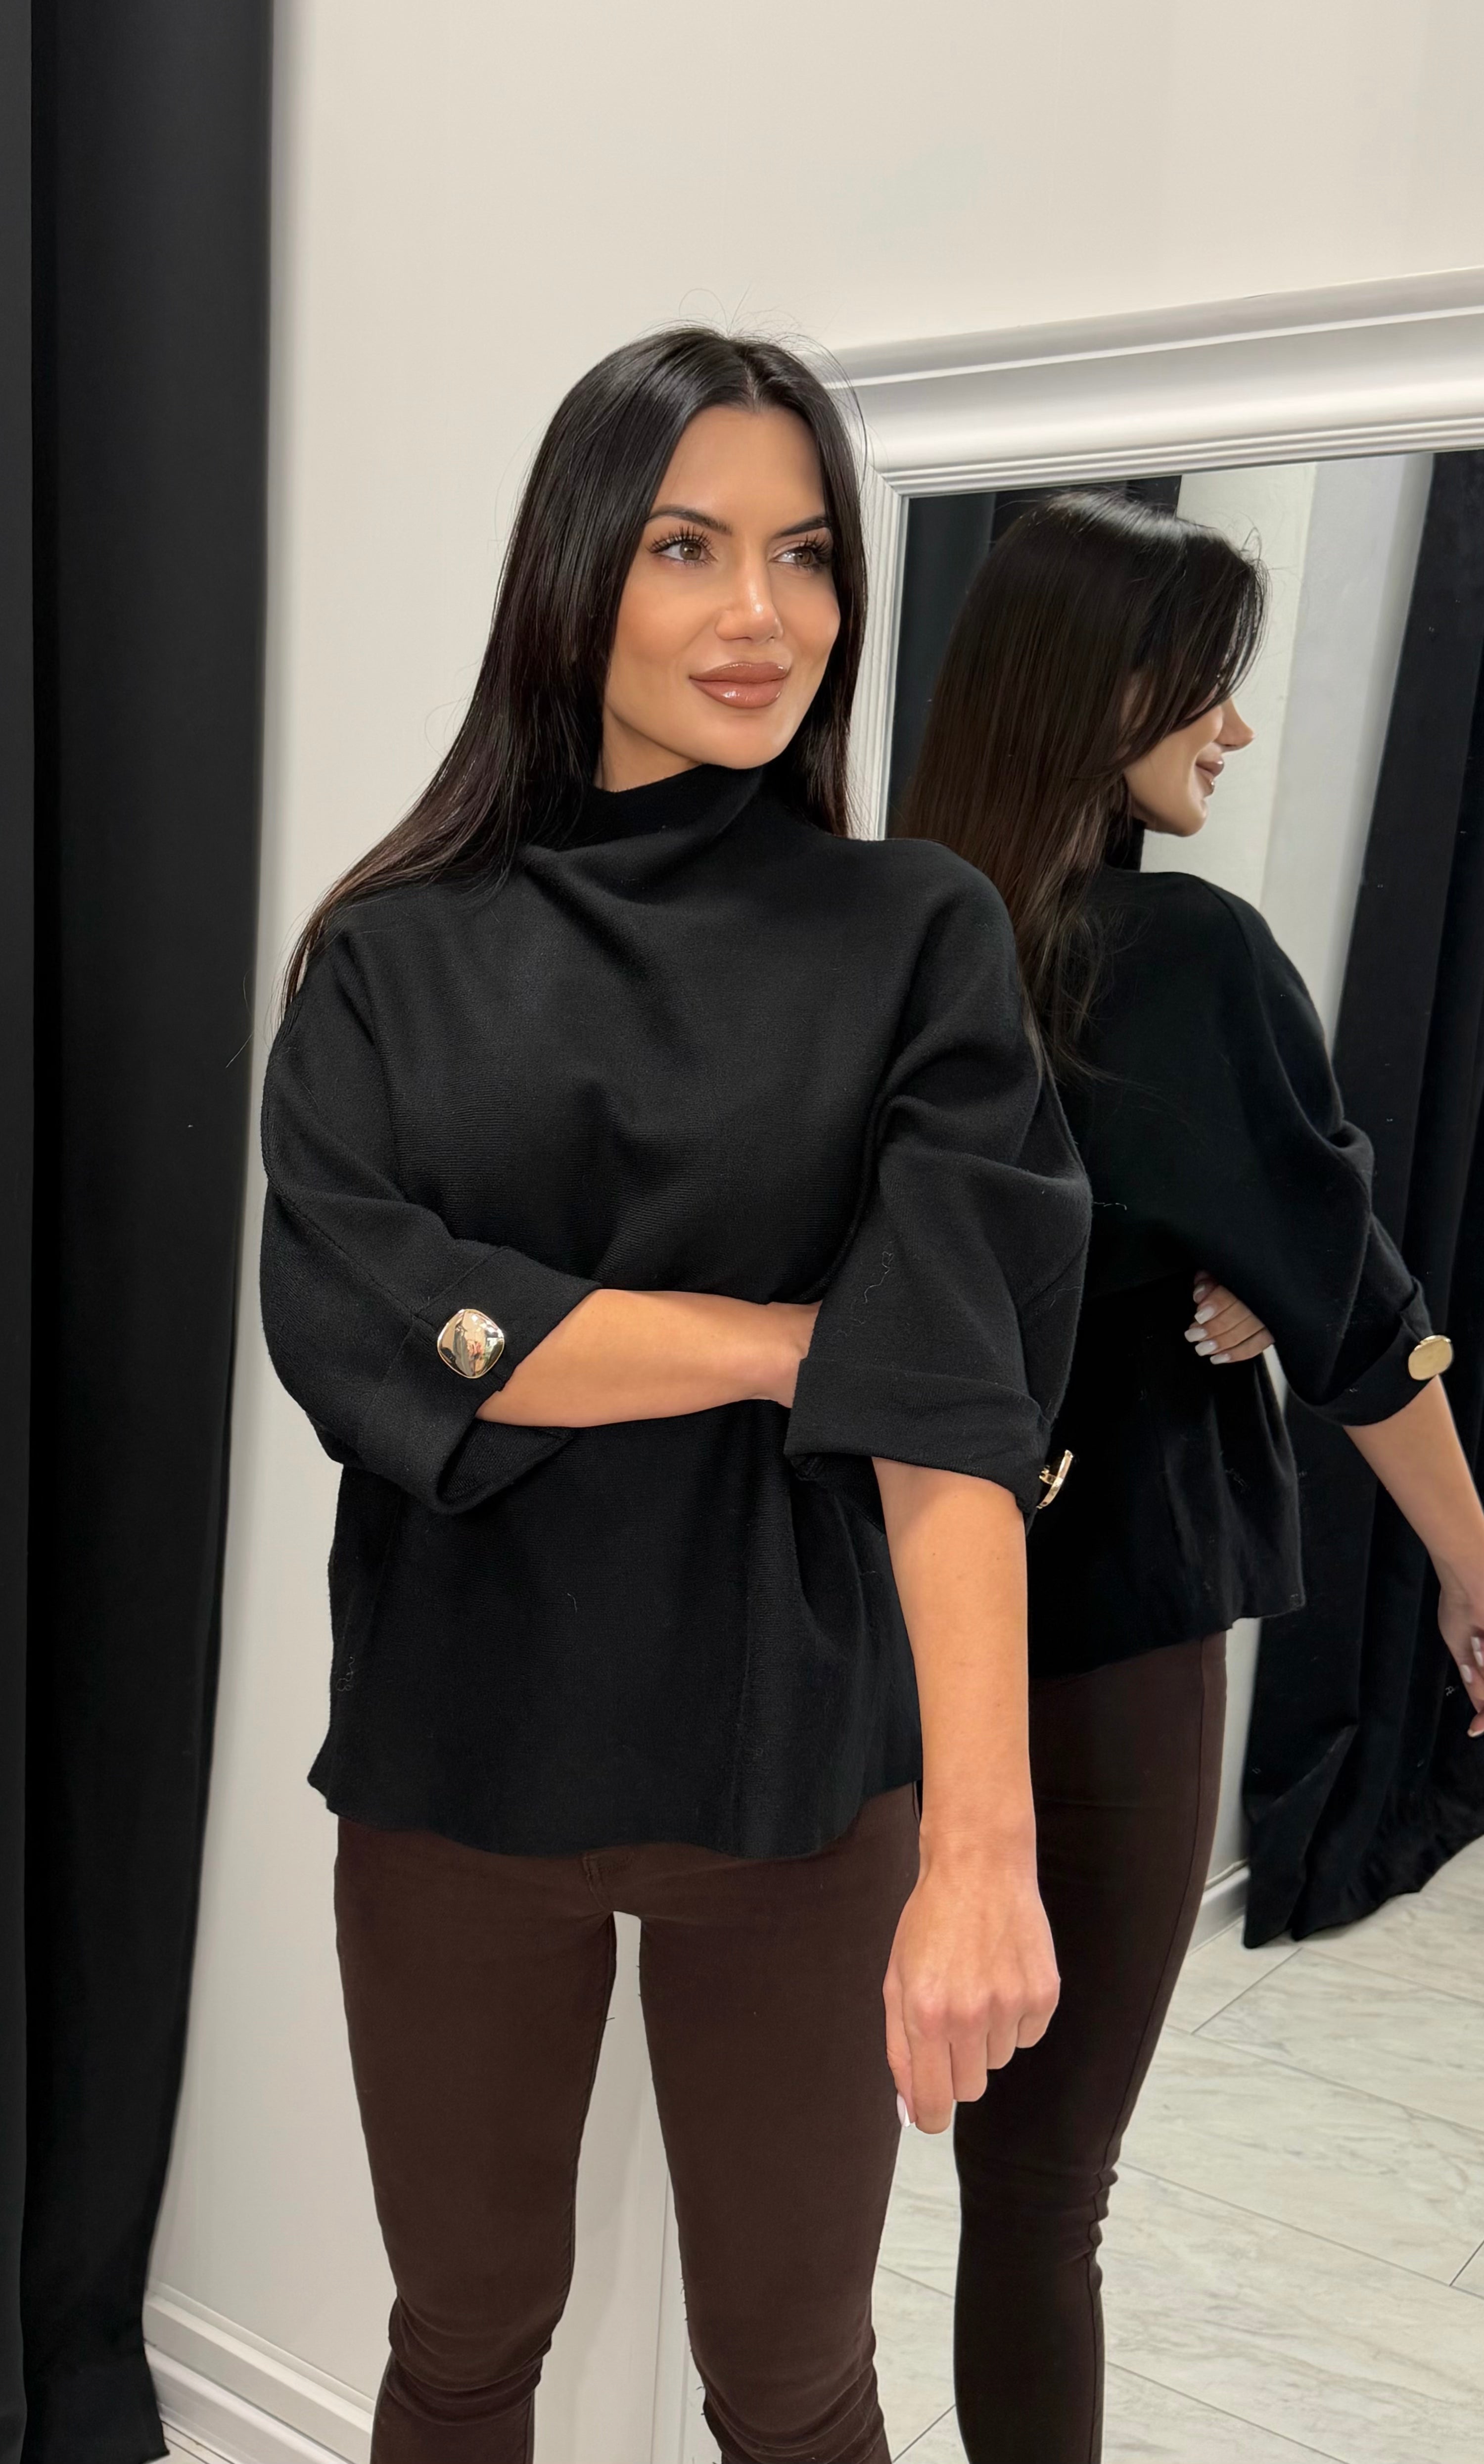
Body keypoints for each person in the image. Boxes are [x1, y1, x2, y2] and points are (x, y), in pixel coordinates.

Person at [258, 330, 1091, 2464]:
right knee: (463, 2347)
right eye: (688, 547)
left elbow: (957, 1394)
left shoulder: (915, 933)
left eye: (808, 555)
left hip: (797, 1767)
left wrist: (981, 1846)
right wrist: (787, 1338)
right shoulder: (392, 952)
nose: (764, 613)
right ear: (575, 575)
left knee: (796, 2387)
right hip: (458, 1762)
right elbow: (365, 1318)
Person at [896, 489, 1484, 2464]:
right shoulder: (1180, 956)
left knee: (887, 2173)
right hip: (1109, 1621)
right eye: (1204, 686)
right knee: (1043, 2187)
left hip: (866, 1611)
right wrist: (1475, 1564)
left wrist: (1200, 1260)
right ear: (1097, 690)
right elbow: (1358, 1310)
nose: (1232, 728)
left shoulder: (895, 930)